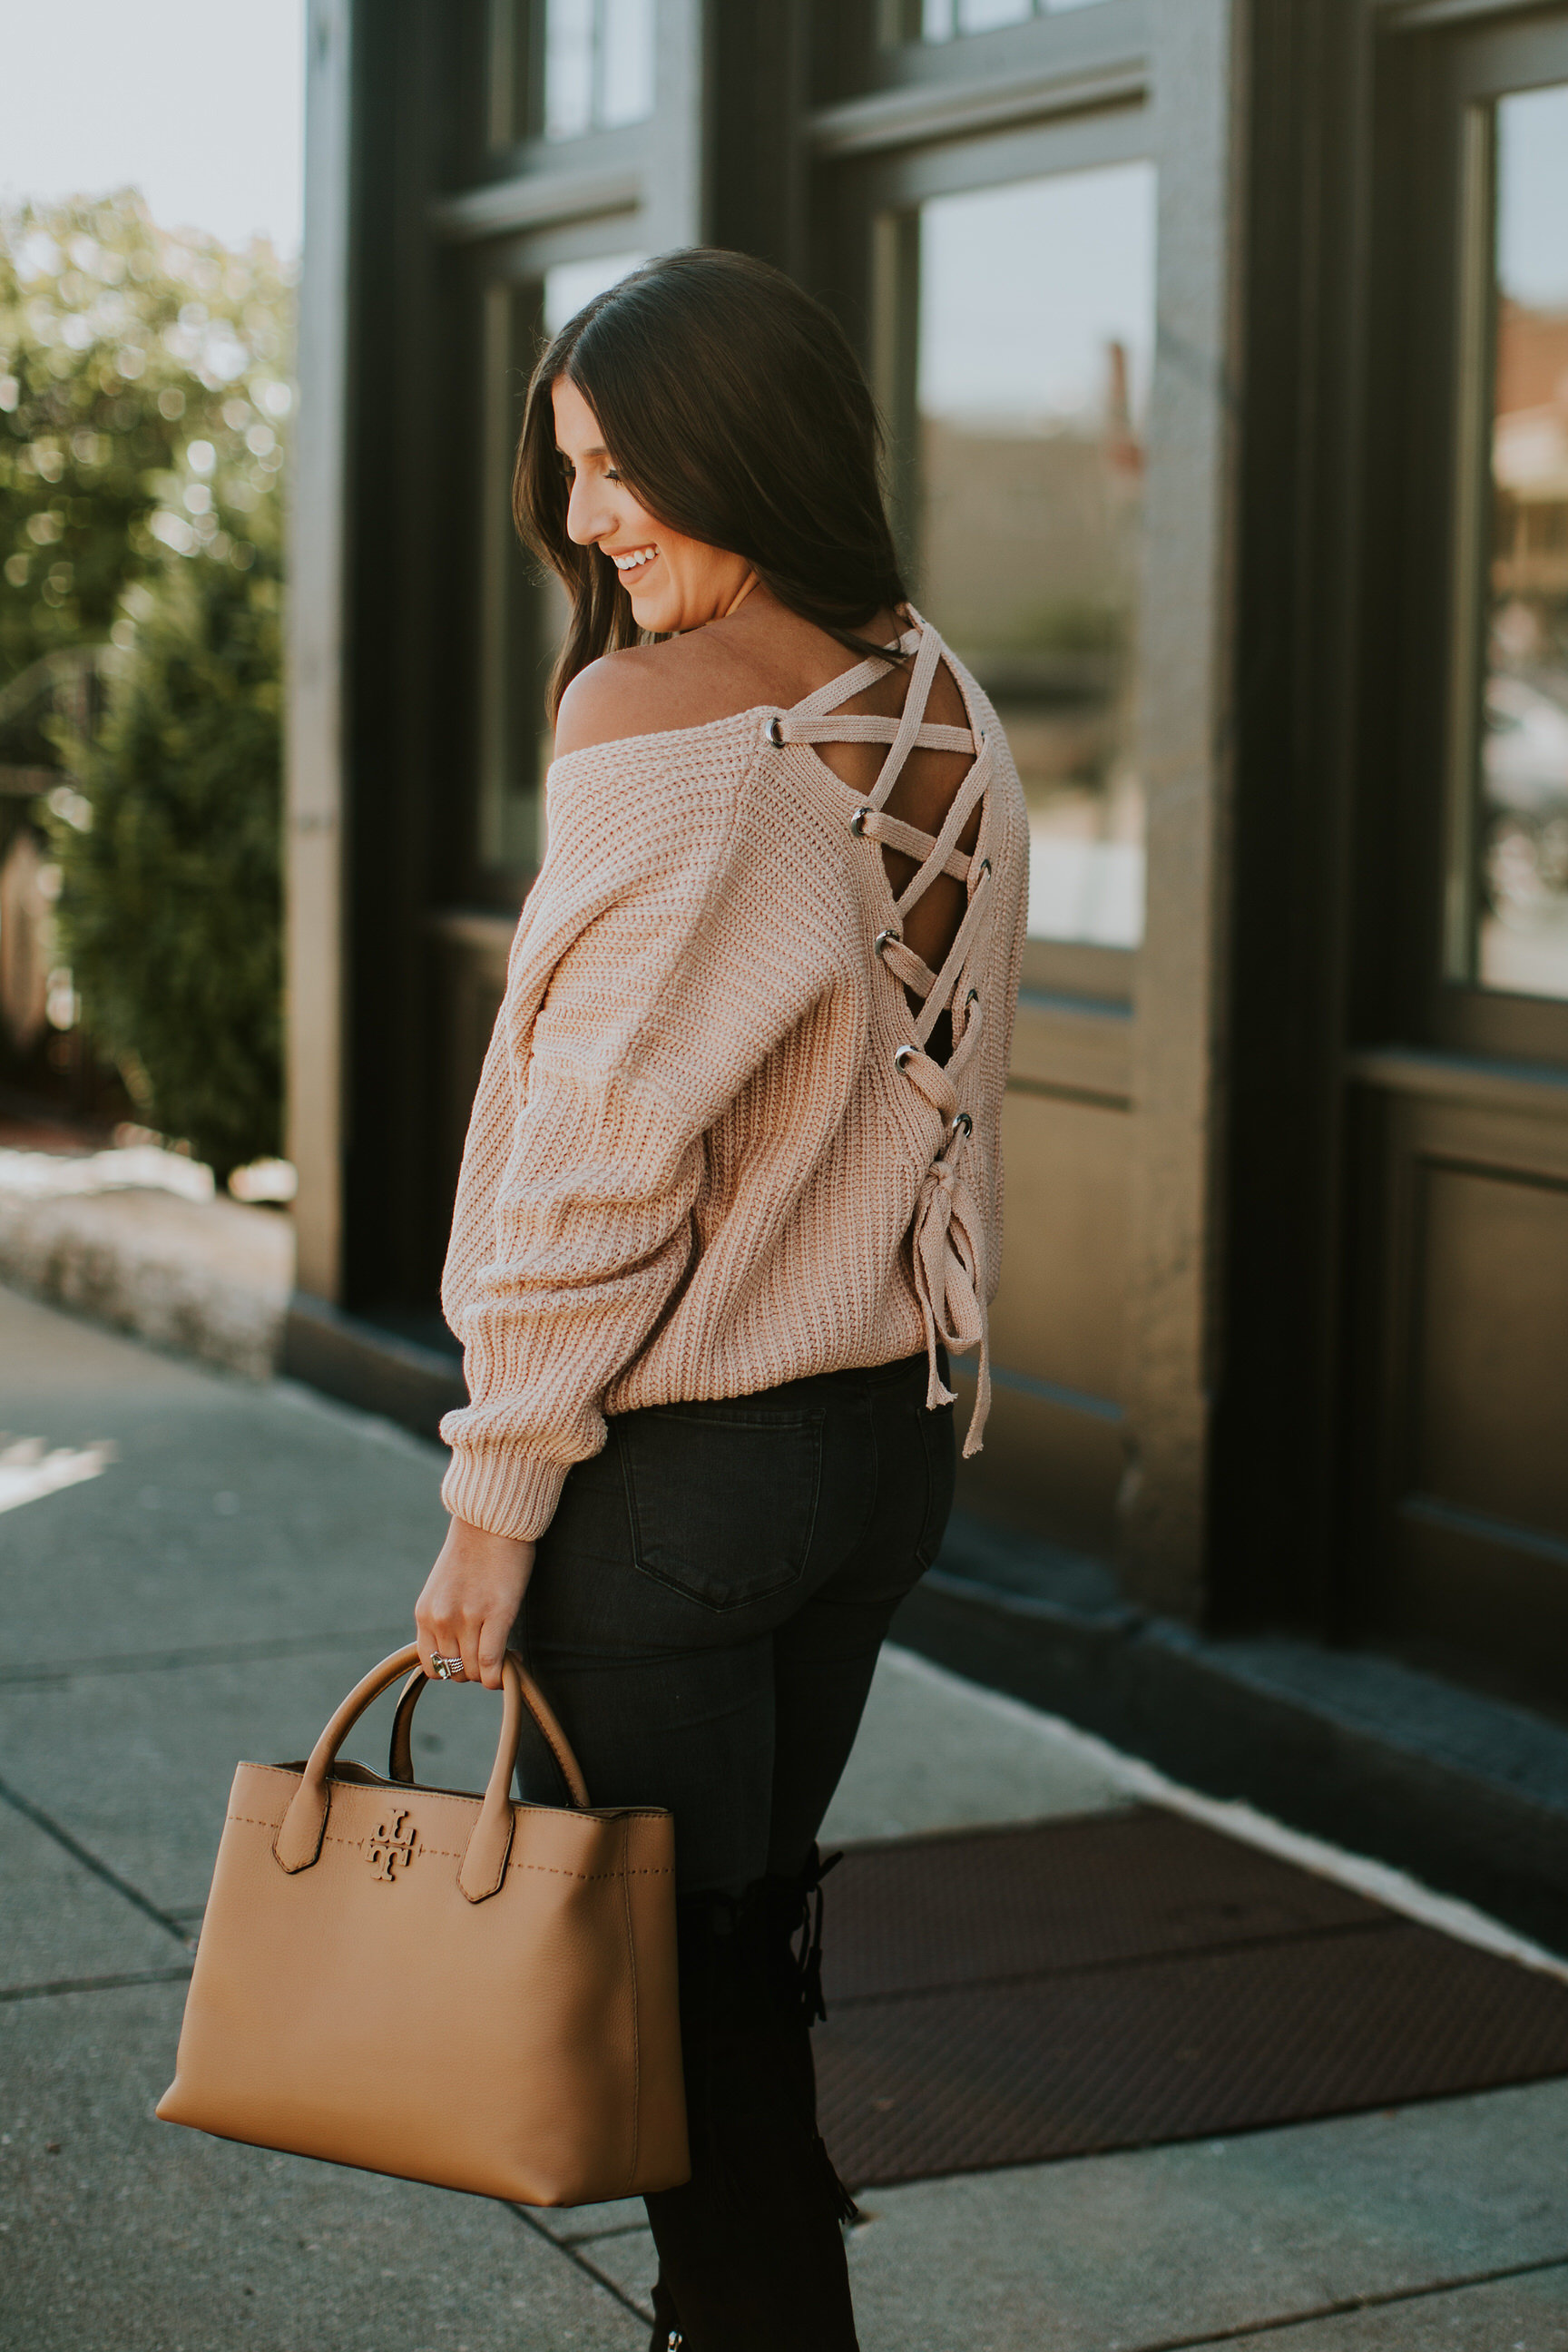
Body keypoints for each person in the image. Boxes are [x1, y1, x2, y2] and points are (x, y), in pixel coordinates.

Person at [414, 248, 1028, 2351]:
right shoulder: (929, 681)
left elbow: (599, 1158)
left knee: (665, 2010)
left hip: (680, 1470)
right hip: (876, 1447)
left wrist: (496, 1494)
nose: (588, 520)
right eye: (572, 471)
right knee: (737, 1956)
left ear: (742, 446)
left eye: (621, 469)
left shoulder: (665, 723)